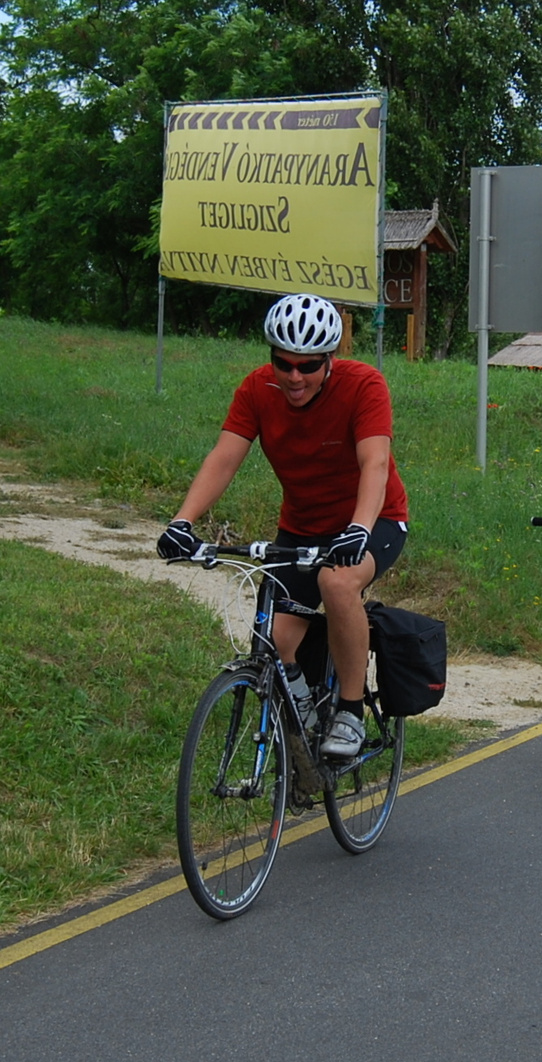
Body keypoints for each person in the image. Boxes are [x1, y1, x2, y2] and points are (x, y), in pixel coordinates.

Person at [156, 293, 409, 757]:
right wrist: (182, 522)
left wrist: (357, 528)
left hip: (375, 519)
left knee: (337, 583)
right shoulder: (257, 390)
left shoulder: (364, 385)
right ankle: (307, 713)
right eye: (284, 363)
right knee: (275, 641)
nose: (295, 376)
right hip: (302, 527)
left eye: (308, 366)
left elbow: (374, 463)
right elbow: (224, 458)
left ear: (329, 360)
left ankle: (351, 711)